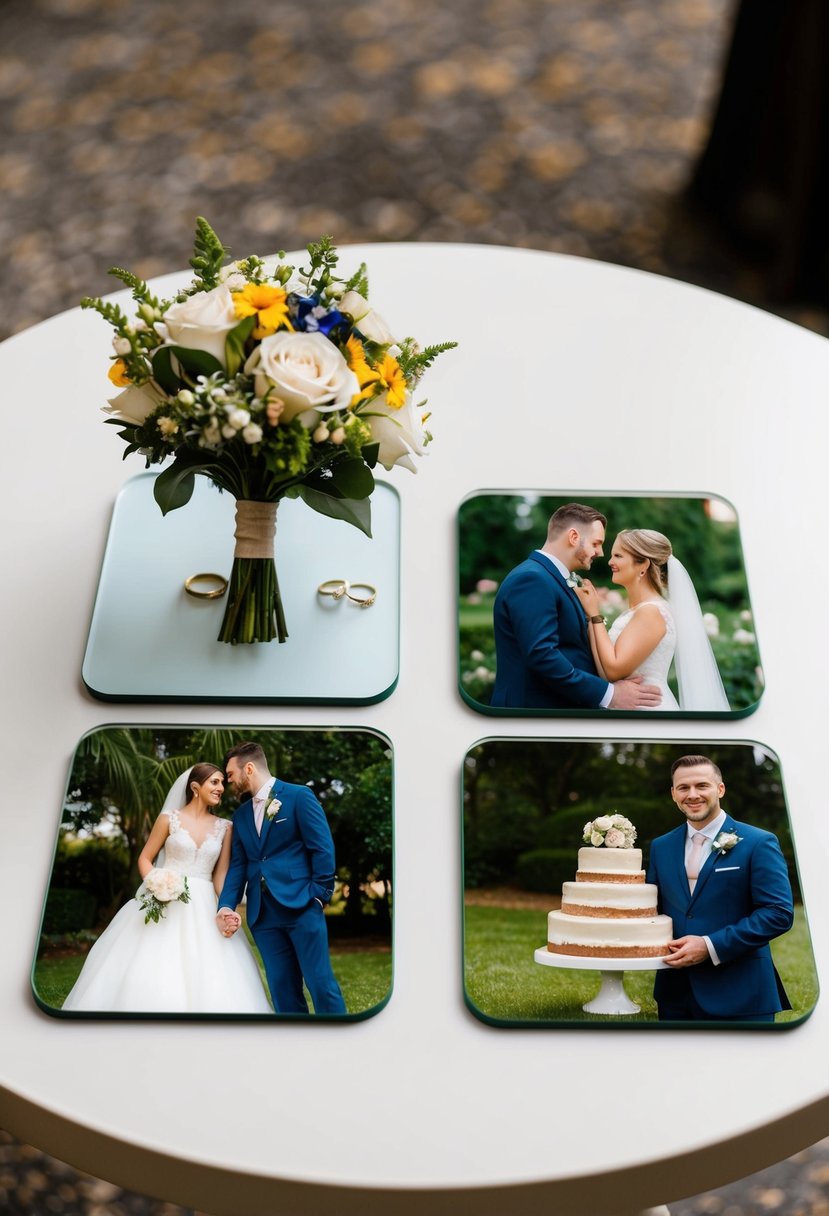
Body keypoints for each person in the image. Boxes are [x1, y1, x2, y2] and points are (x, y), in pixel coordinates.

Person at [62, 763, 272, 1014]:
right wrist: (156, 882)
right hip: (165, 898)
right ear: (195, 787)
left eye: (222, 783)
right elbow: (145, 858)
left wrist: (227, 907)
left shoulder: (225, 827)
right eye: (214, 782)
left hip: (204, 903)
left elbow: (221, 873)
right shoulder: (168, 819)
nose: (220, 788)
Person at [647, 754, 794, 1022]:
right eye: (683, 787)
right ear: (673, 794)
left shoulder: (758, 842)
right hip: (675, 994)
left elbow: (778, 913)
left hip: (741, 994)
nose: (692, 795)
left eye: (702, 785)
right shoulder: (661, 846)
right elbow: (653, 910)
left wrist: (710, 945)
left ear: (720, 789)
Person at [216, 742, 346, 1015]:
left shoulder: (299, 796)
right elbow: (239, 865)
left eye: (230, 775)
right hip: (262, 916)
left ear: (248, 768)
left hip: (302, 905)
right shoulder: (240, 816)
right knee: (281, 988)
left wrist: (319, 895)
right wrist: (226, 905)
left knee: (320, 984)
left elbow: (321, 847)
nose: (228, 782)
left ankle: (341, 1043)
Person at [490, 503, 661, 710]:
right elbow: (542, 655)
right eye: (596, 543)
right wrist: (609, 694)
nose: (600, 553)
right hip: (534, 716)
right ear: (573, 537)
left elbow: (572, 649)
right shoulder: (532, 579)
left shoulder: (553, 579)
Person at [575, 529, 730, 711]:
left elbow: (613, 670)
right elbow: (605, 673)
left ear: (643, 565)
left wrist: (595, 614)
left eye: (618, 556)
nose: (610, 562)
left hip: (649, 712)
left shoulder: (652, 612)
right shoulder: (636, 611)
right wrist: (590, 617)